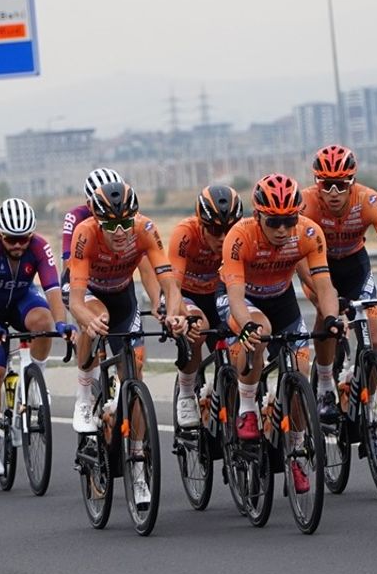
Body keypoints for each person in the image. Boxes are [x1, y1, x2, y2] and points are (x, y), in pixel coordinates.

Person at [220, 174, 343, 494]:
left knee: (301, 370)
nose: (283, 230)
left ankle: (297, 452)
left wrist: (330, 318)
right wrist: (246, 325)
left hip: (281, 299)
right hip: (245, 300)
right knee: (260, 333)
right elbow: (234, 297)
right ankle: (247, 410)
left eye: (290, 221)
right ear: (258, 215)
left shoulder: (309, 233)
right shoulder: (239, 236)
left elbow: (325, 286)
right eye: (274, 222)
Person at [66, 181, 186, 508]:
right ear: (97, 220)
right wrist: (85, 320)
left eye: (125, 222)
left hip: (123, 296)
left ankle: (137, 466)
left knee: (133, 371)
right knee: (96, 317)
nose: (119, 231)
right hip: (89, 293)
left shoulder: (145, 228)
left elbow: (169, 283)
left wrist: (171, 311)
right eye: (110, 224)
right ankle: (84, 392)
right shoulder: (85, 234)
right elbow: (75, 300)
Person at [300, 144, 377, 421]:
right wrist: (323, 294)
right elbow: (298, 259)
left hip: (355, 265)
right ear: (317, 182)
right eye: (327, 185)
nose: (334, 192)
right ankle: (325, 385)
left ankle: (369, 410)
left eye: (341, 184)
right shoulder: (306, 203)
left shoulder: (369, 201)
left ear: (352, 180)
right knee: (327, 313)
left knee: (374, 336)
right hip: (319, 267)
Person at [0, 198, 72, 476]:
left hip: (21, 301)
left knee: (43, 320)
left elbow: (52, 288)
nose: (18, 245)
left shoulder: (39, 246)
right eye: (11, 240)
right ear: (0, 235)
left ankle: (36, 378)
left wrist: (61, 323)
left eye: (23, 239)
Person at [169, 185, 242, 428]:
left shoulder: (241, 237)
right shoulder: (185, 234)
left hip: (219, 293)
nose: (222, 237)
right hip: (187, 294)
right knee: (197, 327)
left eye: (228, 229)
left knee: (238, 343)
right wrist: (180, 315)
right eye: (214, 229)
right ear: (201, 224)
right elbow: (173, 286)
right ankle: (187, 393)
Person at [61, 167, 163, 317]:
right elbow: (68, 264)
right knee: (95, 319)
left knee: (134, 338)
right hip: (85, 282)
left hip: (117, 283)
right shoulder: (76, 218)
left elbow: (146, 268)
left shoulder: (131, 218)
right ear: (89, 205)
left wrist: (156, 302)